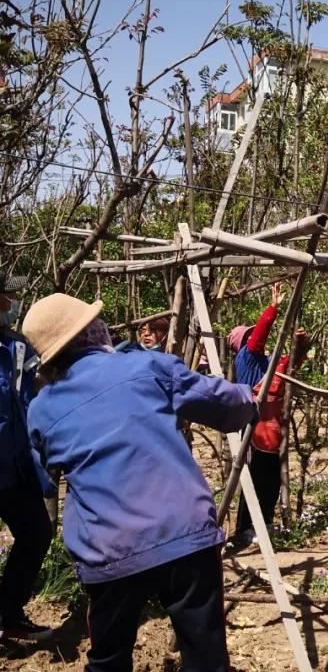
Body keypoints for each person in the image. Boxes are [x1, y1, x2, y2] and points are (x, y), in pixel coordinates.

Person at [22, 293, 256, 672]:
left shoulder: (41, 408)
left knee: (108, 659)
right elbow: (230, 409)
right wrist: (250, 396)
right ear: (90, 334)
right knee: (205, 657)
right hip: (183, 535)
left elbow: (45, 481)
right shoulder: (147, 366)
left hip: (107, 549)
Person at [0, 272, 53, 642]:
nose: (15, 301)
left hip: (14, 468)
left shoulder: (13, 347)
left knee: (36, 533)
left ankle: (9, 614)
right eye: (9, 295)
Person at [227, 283, 289, 548]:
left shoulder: (264, 362)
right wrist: (272, 310)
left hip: (270, 431)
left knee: (270, 480)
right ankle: (244, 529)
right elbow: (260, 336)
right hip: (254, 429)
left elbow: (284, 368)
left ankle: (262, 524)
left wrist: (299, 344)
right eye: (251, 337)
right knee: (252, 480)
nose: (257, 339)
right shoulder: (247, 357)